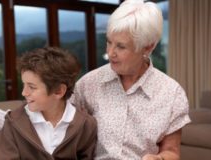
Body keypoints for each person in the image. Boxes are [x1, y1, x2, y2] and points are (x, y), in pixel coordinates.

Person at [70, 0, 191, 160]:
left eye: (121, 46)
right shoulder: (88, 83)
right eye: (109, 42)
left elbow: (172, 151)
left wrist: (159, 158)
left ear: (148, 47)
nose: (110, 53)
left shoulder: (172, 93)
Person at [0, 47, 97, 159]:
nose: (24, 93)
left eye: (32, 87)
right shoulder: (13, 122)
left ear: (59, 91)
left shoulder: (86, 125)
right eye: (24, 85)